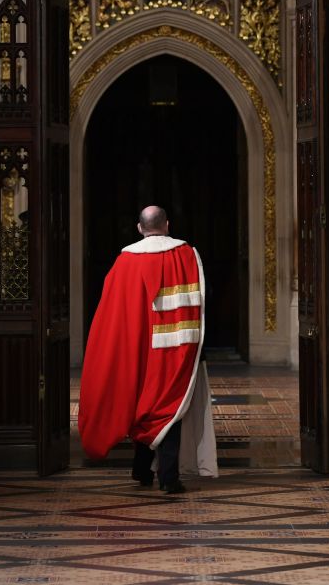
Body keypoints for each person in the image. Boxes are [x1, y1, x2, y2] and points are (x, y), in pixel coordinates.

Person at [77, 205, 217, 494]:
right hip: (176, 348)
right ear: (168, 225)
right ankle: (168, 477)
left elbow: (111, 313)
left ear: (140, 228)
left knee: (141, 403)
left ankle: (142, 471)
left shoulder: (124, 261)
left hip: (137, 348)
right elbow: (204, 298)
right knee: (171, 407)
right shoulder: (188, 255)